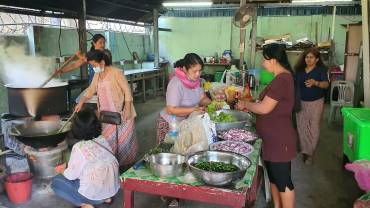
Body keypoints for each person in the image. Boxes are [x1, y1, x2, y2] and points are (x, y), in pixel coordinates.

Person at [236, 43, 298, 208]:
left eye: (265, 59)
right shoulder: (280, 78)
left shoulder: (283, 79)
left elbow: (264, 108)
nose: (263, 64)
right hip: (271, 139)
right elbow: (268, 105)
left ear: (274, 60)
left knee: (284, 181)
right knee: (274, 177)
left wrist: (245, 104)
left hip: (279, 139)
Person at [74, 49, 137, 169]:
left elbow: (127, 91)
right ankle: (112, 165)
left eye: (94, 65)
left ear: (102, 62)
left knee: (124, 142)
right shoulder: (98, 75)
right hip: (106, 115)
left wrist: (128, 108)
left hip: (122, 112)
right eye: (91, 66)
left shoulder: (116, 72)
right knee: (109, 141)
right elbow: (91, 90)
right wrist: (81, 102)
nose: (93, 68)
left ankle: (126, 167)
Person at [51, 108, 119, 208]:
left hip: (94, 196)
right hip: (112, 190)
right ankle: (106, 199)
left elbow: (71, 176)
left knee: (56, 183)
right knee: (93, 172)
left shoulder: (79, 147)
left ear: (76, 128)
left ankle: (85, 204)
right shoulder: (102, 139)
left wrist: (62, 170)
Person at [156, 53, 211, 143]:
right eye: (194, 71)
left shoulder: (196, 82)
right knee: (171, 151)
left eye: (200, 71)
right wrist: (194, 110)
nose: (198, 74)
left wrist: (213, 103)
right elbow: (171, 110)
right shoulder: (176, 83)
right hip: (170, 124)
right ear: (185, 69)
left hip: (186, 123)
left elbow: (202, 98)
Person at [294, 47, 329, 165]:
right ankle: (305, 149)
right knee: (302, 126)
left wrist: (316, 83)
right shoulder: (299, 71)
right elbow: (294, 85)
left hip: (316, 102)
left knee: (313, 127)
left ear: (317, 59)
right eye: (307, 57)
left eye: (311, 57)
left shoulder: (320, 71)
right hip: (301, 102)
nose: (308, 59)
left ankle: (310, 152)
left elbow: (326, 85)